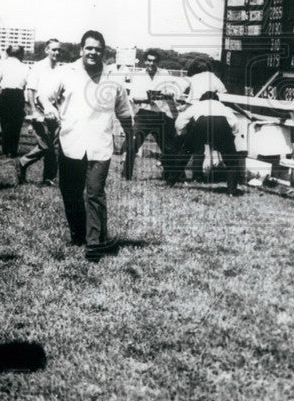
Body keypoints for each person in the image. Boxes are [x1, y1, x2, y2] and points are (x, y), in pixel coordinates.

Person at [38, 30, 133, 260]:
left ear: (103, 52)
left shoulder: (113, 79)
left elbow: (124, 111)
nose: (93, 52)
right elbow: (44, 95)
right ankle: (79, 234)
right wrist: (50, 109)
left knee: (95, 192)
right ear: (81, 50)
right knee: (70, 192)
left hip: (100, 144)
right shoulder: (65, 72)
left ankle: (94, 243)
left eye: (98, 49)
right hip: (70, 141)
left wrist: (131, 138)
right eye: (89, 48)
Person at [169, 90, 246, 195]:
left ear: (202, 99)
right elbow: (235, 123)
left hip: (202, 124)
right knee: (231, 160)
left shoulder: (198, 104)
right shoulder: (222, 107)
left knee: (185, 153)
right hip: (221, 125)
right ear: (216, 99)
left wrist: (182, 132)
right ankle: (232, 191)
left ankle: (171, 182)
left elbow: (181, 119)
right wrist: (231, 135)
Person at [125, 48, 182, 181]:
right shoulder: (138, 75)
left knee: (168, 148)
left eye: (154, 61)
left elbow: (172, 92)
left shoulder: (165, 74)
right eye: (149, 60)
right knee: (132, 145)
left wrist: (168, 94)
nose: (151, 64)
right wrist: (147, 99)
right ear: (145, 61)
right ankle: (126, 176)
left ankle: (170, 176)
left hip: (160, 115)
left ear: (158, 62)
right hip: (143, 114)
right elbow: (133, 98)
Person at [16, 38, 63, 186]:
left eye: (59, 50)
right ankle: (23, 162)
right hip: (39, 108)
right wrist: (34, 111)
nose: (57, 52)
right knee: (45, 145)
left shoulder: (60, 69)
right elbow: (30, 90)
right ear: (47, 50)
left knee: (54, 146)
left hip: (54, 109)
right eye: (54, 49)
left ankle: (48, 178)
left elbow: (59, 93)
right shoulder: (38, 67)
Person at [0, 45, 28, 157]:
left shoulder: (2, 64)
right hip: (18, 94)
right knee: (16, 123)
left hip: (5, 94)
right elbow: (26, 83)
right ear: (20, 54)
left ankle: (6, 149)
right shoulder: (24, 67)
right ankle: (12, 150)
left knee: (5, 121)